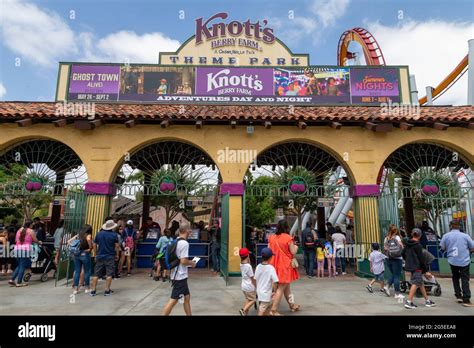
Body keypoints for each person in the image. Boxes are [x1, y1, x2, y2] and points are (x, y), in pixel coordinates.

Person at [162, 222, 197, 316]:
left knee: (187, 298)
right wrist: (192, 263)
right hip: (180, 277)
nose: (190, 231)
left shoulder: (175, 240)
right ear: (187, 231)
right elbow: (183, 261)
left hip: (177, 275)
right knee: (173, 301)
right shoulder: (184, 243)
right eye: (190, 229)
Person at [267, 220, 300, 315]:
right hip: (285, 266)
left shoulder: (272, 238)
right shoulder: (288, 238)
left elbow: (269, 250)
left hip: (273, 265)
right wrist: (296, 247)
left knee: (286, 287)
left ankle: (292, 305)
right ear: (286, 227)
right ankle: (273, 310)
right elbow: (293, 251)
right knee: (281, 288)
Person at [440, 220, 474, 307]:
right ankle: (466, 299)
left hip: (452, 260)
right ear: (459, 226)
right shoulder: (465, 236)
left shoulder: (446, 236)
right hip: (464, 260)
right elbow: (472, 247)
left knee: (455, 277)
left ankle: (458, 295)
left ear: (450, 226)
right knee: (465, 279)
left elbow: (442, 248)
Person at [402, 228, 436, 309]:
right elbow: (421, 259)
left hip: (411, 266)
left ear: (412, 234)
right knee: (416, 283)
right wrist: (426, 270)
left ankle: (427, 301)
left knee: (420, 283)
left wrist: (408, 260)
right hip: (417, 267)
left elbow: (402, 253)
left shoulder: (407, 244)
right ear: (420, 236)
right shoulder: (418, 245)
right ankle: (409, 302)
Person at [89, 220, 120, 296]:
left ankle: (93, 290)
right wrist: (117, 255)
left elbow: (94, 245)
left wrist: (95, 254)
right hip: (110, 256)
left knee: (96, 274)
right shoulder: (114, 235)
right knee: (109, 274)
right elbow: (117, 246)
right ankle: (107, 290)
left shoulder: (99, 234)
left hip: (100, 256)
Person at [9, 221, 41, 287]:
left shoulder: (19, 230)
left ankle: (12, 280)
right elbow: (35, 240)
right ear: (30, 225)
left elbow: (16, 240)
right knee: (22, 266)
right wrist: (39, 242)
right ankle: (19, 282)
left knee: (20, 265)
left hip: (16, 249)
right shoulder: (31, 231)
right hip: (25, 250)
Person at [68, 225, 93, 294]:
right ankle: (87, 288)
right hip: (85, 254)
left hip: (76, 254)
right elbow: (89, 241)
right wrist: (90, 248)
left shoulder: (78, 235)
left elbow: (69, 241)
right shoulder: (88, 235)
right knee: (87, 271)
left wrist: (75, 247)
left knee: (77, 271)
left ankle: (76, 289)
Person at [254, 247, 279, 316]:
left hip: (259, 292)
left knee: (268, 308)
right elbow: (276, 281)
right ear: (270, 257)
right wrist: (274, 291)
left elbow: (255, 278)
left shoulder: (258, 266)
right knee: (261, 310)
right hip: (266, 293)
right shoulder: (271, 268)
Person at [383, 224, 405, 299]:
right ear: (396, 230)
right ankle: (397, 293)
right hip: (397, 258)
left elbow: (385, 248)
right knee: (397, 276)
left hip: (388, 258)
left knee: (394, 274)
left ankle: (387, 286)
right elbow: (401, 246)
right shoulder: (397, 237)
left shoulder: (386, 238)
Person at [239, 247, 256, 316]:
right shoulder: (248, 266)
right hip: (249, 287)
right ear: (248, 256)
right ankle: (243, 310)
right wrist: (256, 285)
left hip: (244, 286)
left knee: (248, 299)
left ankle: (245, 313)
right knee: (253, 300)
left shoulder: (241, 264)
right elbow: (252, 278)